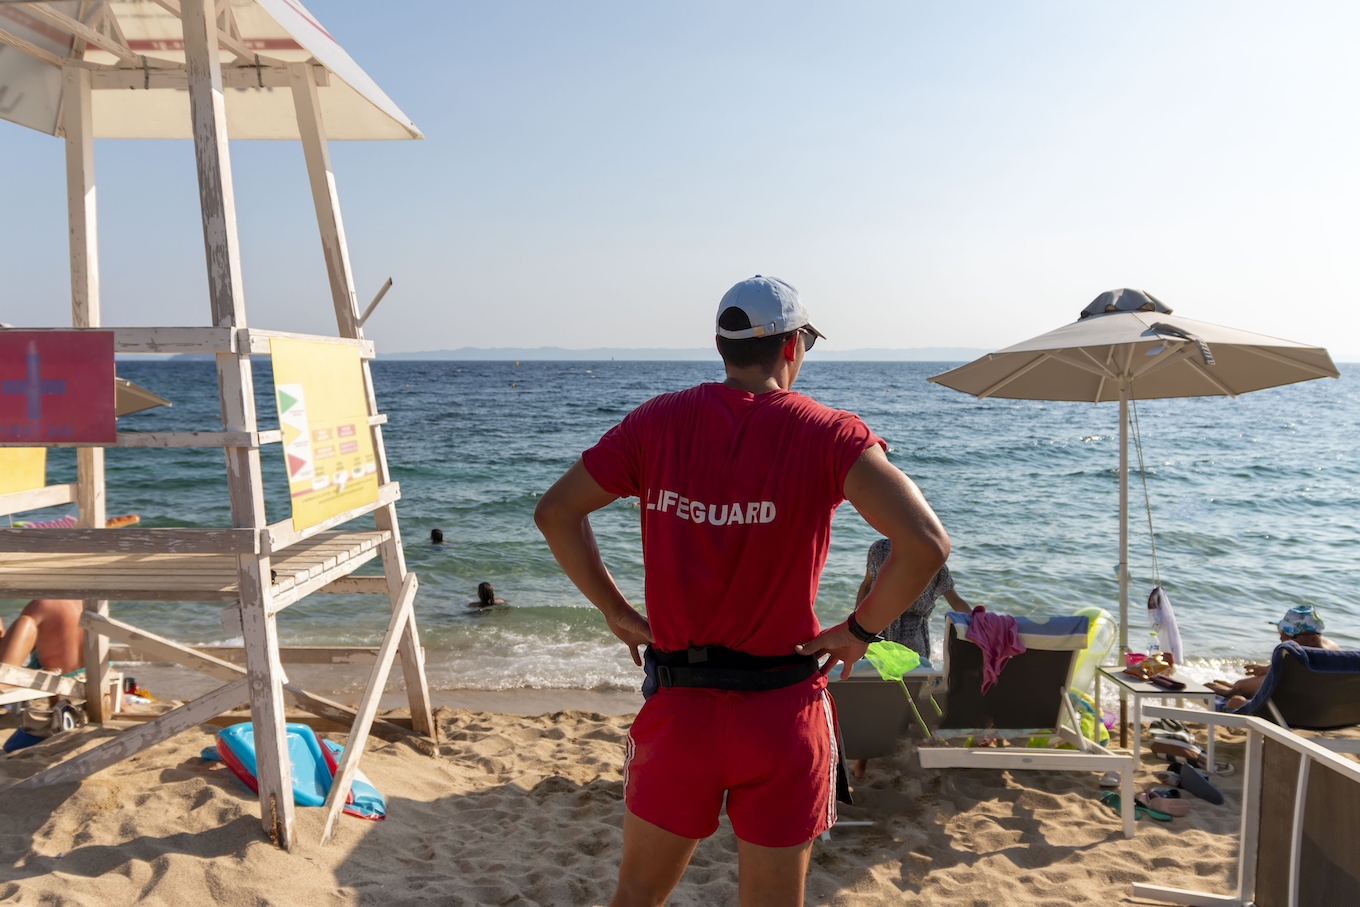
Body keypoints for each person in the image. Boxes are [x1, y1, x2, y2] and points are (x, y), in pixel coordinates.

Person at [534, 275, 949, 907]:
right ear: (791, 348)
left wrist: (617, 614)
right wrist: (859, 632)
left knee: (637, 896)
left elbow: (556, 512)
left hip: (680, 708)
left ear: (723, 347)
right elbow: (924, 543)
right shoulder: (827, 433)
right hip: (781, 712)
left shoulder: (656, 422)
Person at [849, 538, 970, 779]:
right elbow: (866, 586)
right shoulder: (882, 549)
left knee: (897, 700)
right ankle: (864, 761)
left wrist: (979, 621)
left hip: (909, 643)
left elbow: (955, 601)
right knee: (882, 700)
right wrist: (854, 626)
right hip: (878, 637)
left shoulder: (930, 554)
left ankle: (871, 759)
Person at [1209, 604, 1340, 709]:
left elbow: (1262, 682)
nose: (1281, 637)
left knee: (1236, 700)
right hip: (1321, 707)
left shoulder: (1296, 664)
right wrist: (1265, 669)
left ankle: (1231, 691)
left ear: (1313, 639)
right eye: (1281, 630)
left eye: (1290, 635)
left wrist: (1237, 687)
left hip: (1293, 712)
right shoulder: (1334, 652)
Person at [0, 599, 86, 679]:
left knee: (25, 622)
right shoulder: (91, 603)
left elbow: (7, 665)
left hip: (50, 683)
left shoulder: (42, 604)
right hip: (87, 678)